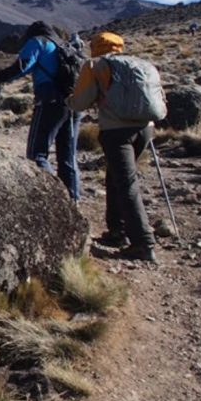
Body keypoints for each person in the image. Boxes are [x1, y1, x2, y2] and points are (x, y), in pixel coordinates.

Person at [67, 32, 158, 262]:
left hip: (116, 131)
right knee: (115, 176)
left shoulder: (95, 65)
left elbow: (81, 101)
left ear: (96, 46)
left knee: (126, 182)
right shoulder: (138, 63)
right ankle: (116, 230)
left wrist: (68, 101)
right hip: (146, 128)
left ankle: (142, 242)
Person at [0, 21, 79, 200]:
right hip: (74, 102)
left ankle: (52, 199)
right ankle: (73, 199)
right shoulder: (63, 45)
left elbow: (22, 66)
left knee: (37, 153)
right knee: (67, 155)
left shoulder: (38, 42)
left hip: (49, 100)